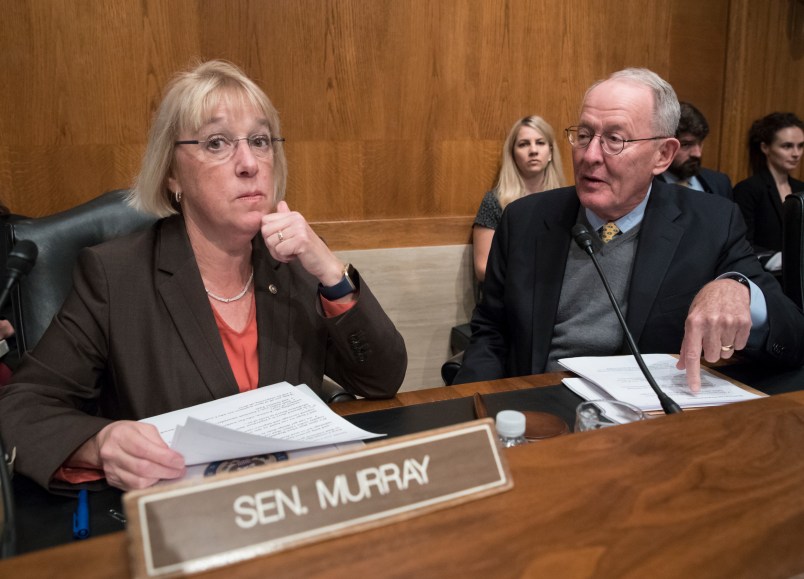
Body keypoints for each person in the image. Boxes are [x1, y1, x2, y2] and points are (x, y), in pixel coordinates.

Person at [0, 60, 407, 492]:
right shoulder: (115, 276)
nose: (249, 162)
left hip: (291, 501)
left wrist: (330, 271)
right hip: (182, 517)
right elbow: (21, 408)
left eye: (260, 140)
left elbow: (381, 380)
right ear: (173, 173)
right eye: (217, 143)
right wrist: (99, 444)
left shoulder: (292, 262)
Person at [454, 68, 804, 392]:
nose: (590, 155)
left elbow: (793, 333)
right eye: (584, 135)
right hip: (542, 407)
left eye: (615, 140)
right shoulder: (525, 219)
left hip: (649, 422)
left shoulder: (711, 223)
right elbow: (491, 333)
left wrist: (739, 289)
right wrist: (469, 409)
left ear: (663, 155)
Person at [473, 116, 566, 282]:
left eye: (540, 142)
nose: (533, 150)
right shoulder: (495, 201)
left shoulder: (567, 201)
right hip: (509, 295)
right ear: (512, 154)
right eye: (524, 144)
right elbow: (482, 268)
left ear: (550, 152)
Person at [733, 112, 804, 269]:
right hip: (765, 279)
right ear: (765, 147)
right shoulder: (748, 189)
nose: (796, 154)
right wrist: (777, 259)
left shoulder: (801, 189)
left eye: (800, 146)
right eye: (787, 146)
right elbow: (742, 243)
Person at [657, 102, 733, 199]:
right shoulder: (644, 186)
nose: (697, 154)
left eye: (700, 143)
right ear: (664, 145)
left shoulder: (720, 183)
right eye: (686, 145)